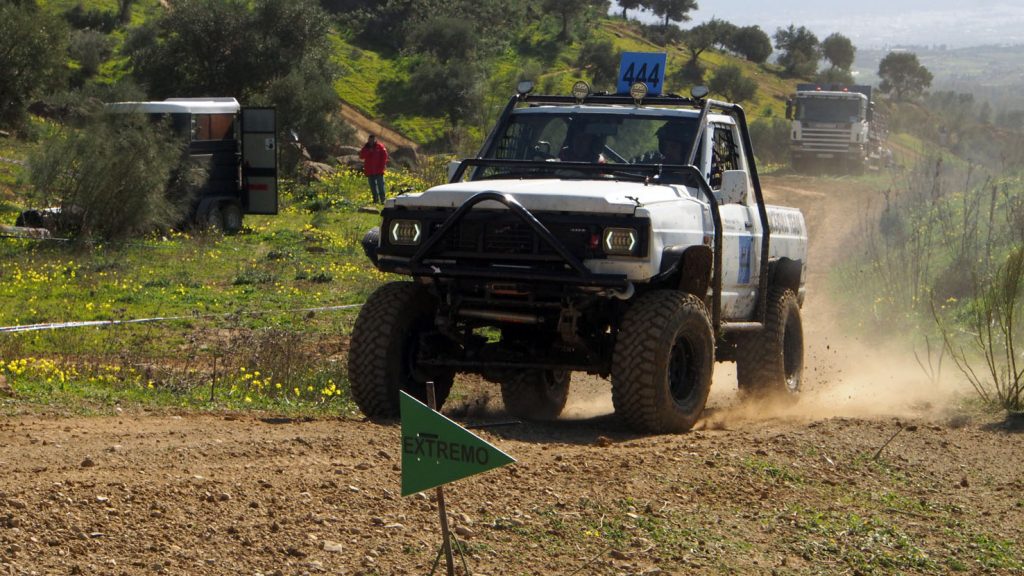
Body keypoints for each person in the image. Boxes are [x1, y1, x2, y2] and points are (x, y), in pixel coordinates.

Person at [359, 134, 389, 204]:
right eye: (370, 140)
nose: (371, 141)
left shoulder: (380, 147)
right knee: (372, 187)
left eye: (373, 140)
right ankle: (375, 200)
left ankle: (383, 200)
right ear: (368, 140)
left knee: (381, 185)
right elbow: (361, 156)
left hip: (379, 170)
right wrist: (369, 151)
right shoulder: (366, 147)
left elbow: (384, 157)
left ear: (375, 140)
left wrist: (382, 167)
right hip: (369, 171)